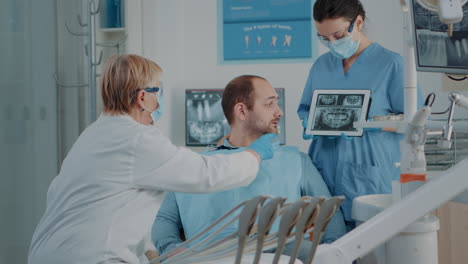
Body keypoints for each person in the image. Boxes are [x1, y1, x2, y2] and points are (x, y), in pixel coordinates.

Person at [27, 55, 276, 264]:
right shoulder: (136, 140)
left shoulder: (94, 135)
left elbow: (117, 204)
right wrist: (255, 153)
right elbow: (206, 174)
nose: (161, 99)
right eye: (159, 90)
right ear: (142, 97)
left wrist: (150, 251)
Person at [152, 75, 347, 263]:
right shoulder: (194, 164)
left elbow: (330, 210)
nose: (279, 112)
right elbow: (166, 219)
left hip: (279, 253)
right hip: (209, 255)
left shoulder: (294, 159)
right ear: (242, 111)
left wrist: (329, 252)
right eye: (270, 104)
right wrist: (172, 251)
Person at [297, 0, 423, 230]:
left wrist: (372, 125)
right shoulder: (321, 65)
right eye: (324, 38)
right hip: (324, 172)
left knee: (372, 248)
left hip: (369, 175)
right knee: (328, 248)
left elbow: (415, 122)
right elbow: (306, 107)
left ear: (358, 22)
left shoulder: (392, 65)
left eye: (337, 35)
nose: (332, 44)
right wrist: (308, 121)